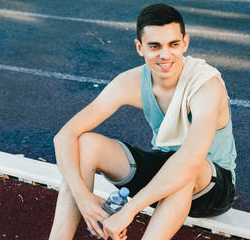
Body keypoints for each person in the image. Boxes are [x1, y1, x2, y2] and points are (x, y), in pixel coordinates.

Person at [49, 3, 236, 240]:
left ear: (185, 43)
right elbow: (64, 136)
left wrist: (129, 210)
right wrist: (83, 197)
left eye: (173, 45)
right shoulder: (131, 81)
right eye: (154, 46)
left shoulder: (206, 86)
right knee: (85, 143)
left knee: (186, 166)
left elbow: (190, 161)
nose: (165, 55)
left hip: (211, 187)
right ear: (140, 47)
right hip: (162, 173)